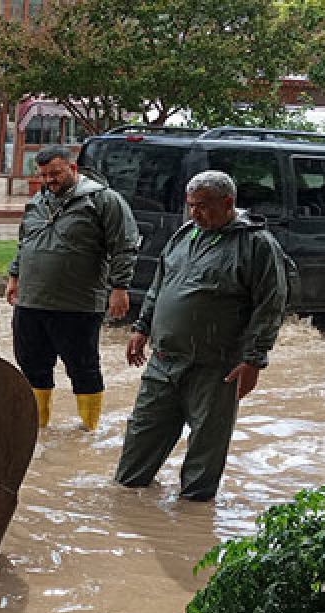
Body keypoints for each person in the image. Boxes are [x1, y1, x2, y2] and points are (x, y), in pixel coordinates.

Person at [114, 170, 288, 501]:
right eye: (191, 205)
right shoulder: (184, 235)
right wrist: (141, 328)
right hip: (163, 362)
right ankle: (130, 512)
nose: (195, 213)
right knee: (136, 452)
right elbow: (159, 286)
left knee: (205, 455)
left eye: (203, 206)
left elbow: (270, 306)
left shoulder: (257, 245)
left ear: (228, 203)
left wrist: (254, 361)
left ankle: (193, 521)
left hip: (215, 369)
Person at [5, 145, 139, 431]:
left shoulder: (104, 201)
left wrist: (120, 288)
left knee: (83, 368)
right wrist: (14, 276)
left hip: (77, 305)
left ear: (73, 169)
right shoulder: (37, 202)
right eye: (44, 175)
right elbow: (25, 243)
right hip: (31, 301)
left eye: (55, 173)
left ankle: (89, 431)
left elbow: (124, 247)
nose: (50, 180)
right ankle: (37, 430)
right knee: (31, 366)